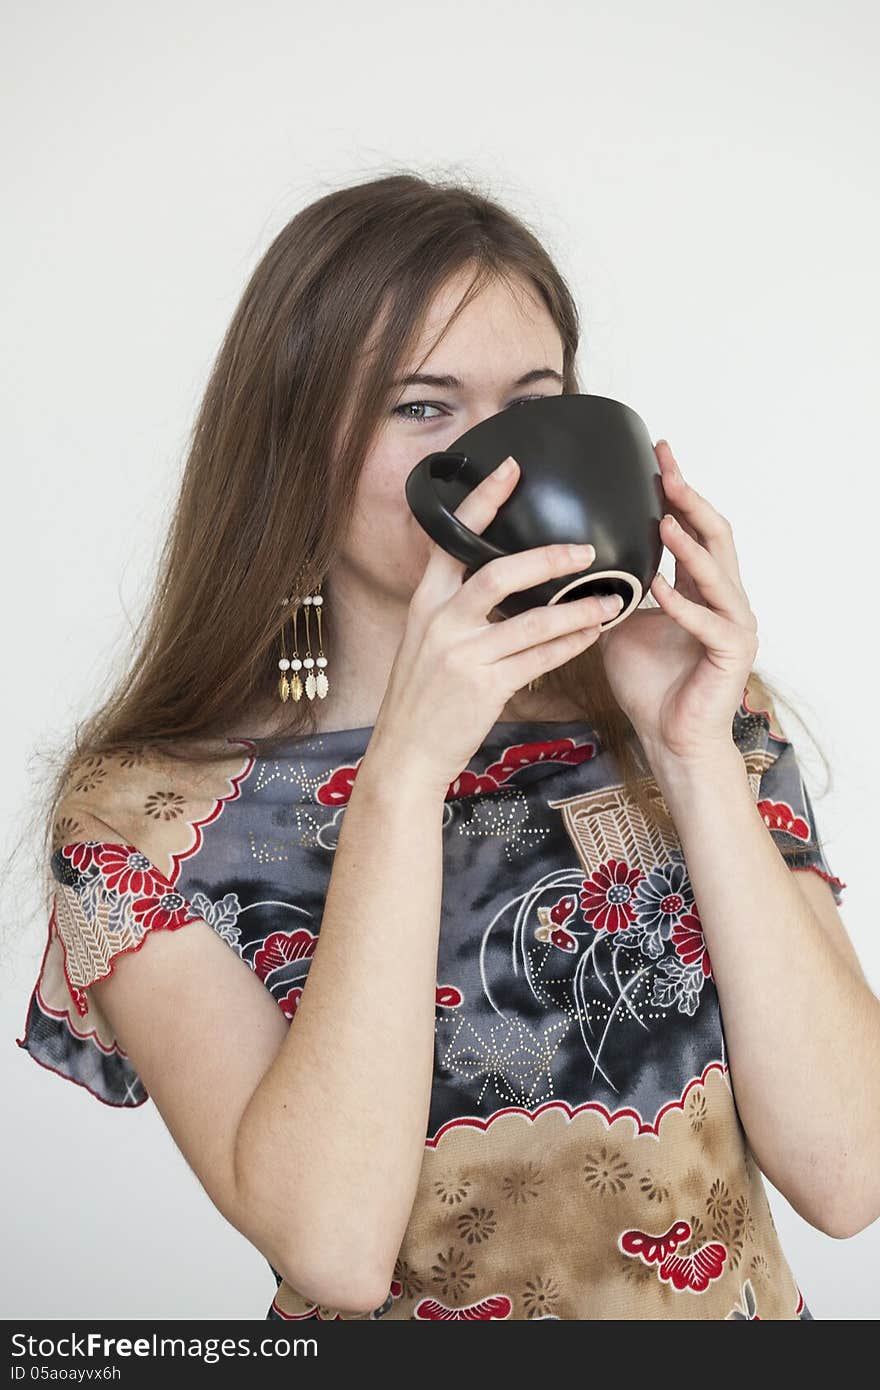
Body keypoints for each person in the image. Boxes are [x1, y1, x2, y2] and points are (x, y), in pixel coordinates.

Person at [16, 172, 876, 1321]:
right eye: (421, 407)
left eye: (532, 401)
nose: (496, 461)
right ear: (291, 447)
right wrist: (406, 771)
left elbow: (847, 1173)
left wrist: (692, 757)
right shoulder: (152, 813)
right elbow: (333, 1247)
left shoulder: (696, 717)